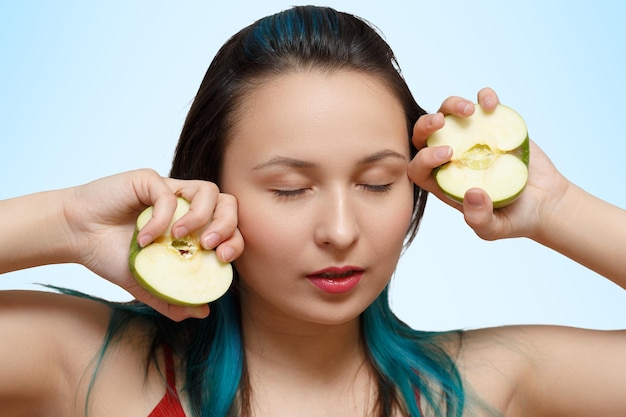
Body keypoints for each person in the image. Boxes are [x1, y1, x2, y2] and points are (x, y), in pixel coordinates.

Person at [1, 5, 625, 417]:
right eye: (291, 189)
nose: (341, 231)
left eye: (377, 183)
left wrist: (558, 209)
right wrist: (68, 225)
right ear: (208, 185)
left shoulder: (479, 385)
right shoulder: (90, 365)